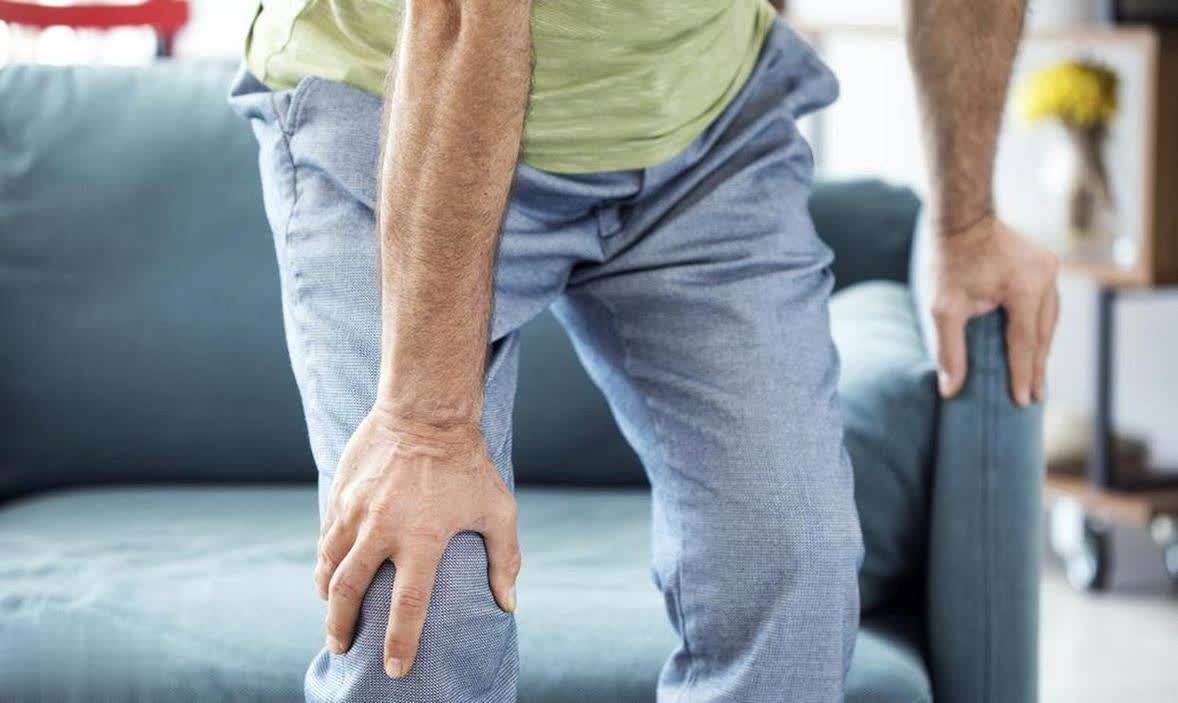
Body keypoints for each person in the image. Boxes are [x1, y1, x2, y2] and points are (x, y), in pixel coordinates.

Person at [228, 1, 1058, 700]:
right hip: (400, 98)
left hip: (697, 126)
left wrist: (966, 222)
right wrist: (426, 424)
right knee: (417, 600)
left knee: (791, 567)